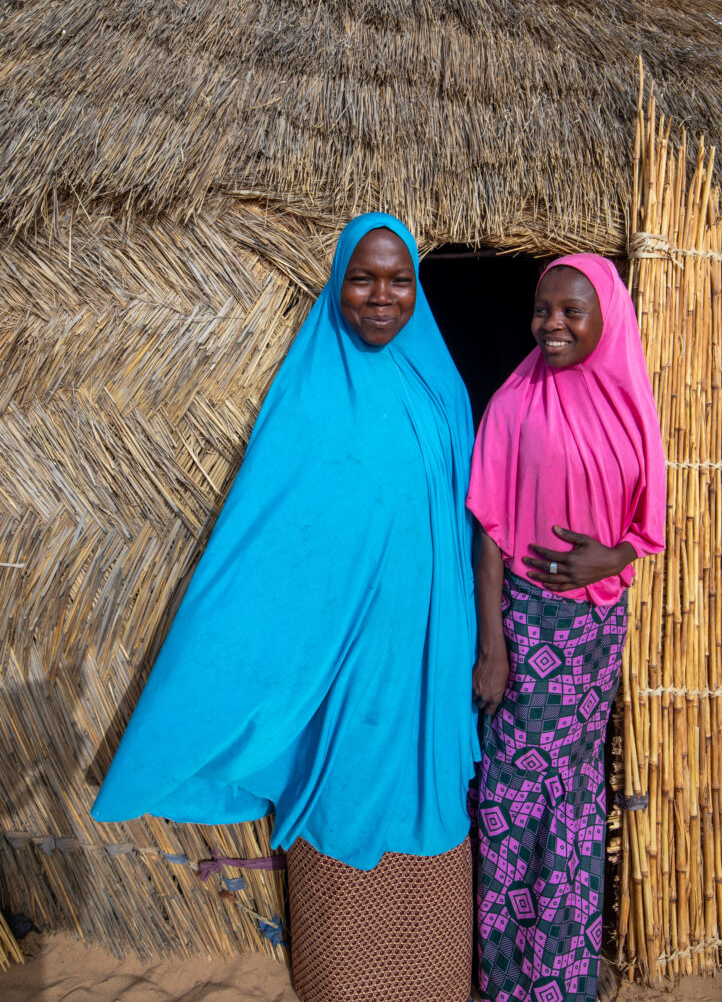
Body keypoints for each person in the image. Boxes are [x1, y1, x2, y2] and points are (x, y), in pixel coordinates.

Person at [92, 213, 479, 1002]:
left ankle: (434, 977)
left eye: (398, 279)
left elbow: (469, 518)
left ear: (418, 288)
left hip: (429, 652)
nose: (381, 296)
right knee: (348, 791)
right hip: (344, 660)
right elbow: (268, 538)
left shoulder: (441, 387)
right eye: (362, 279)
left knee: (430, 793)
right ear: (337, 283)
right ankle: (348, 980)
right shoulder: (309, 394)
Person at [467, 254, 666, 1002]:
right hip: (526, 626)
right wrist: (493, 645)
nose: (550, 324)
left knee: (577, 801)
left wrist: (606, 557)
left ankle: (565, 977)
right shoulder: (515, 401)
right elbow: (487, 526)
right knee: (513, 794)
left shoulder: (628, 403)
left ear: (604, 319)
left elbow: (646, 528)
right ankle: (508, 978)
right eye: (542, 309)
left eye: (569, 312)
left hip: (595, 632)